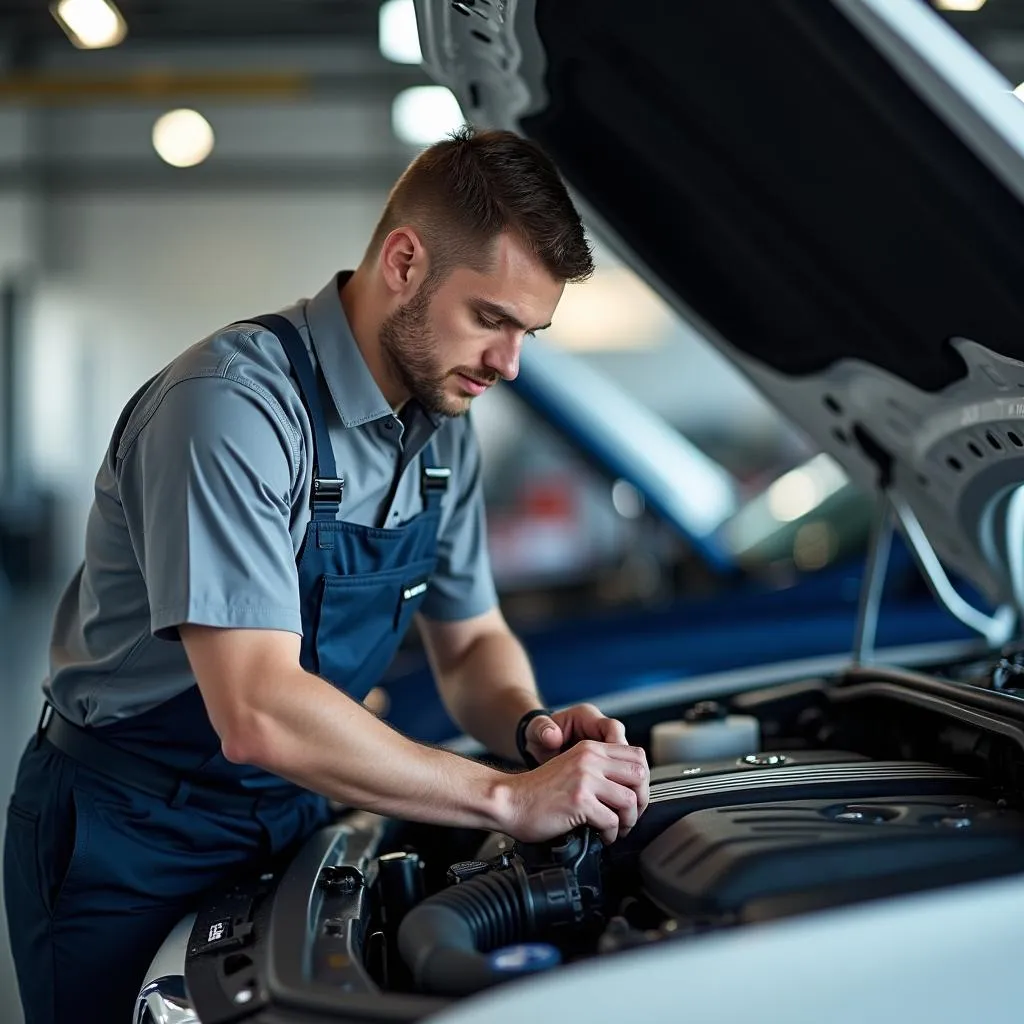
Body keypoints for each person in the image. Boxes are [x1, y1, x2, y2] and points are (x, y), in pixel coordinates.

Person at [3, 125, 650, 1024]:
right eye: (491, 319)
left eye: (528, 332)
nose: (509, 364)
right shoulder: (229, 408)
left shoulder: (441, 431)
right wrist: (507, 798)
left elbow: (469, 644)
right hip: (131, 834)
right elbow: (259, 710)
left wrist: (527, 728)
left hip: (296, 814)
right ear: (403, 261)